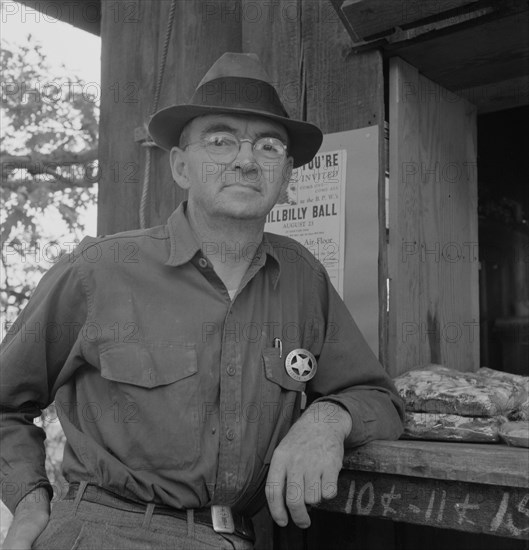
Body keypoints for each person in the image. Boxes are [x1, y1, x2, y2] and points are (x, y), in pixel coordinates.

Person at [1, 52, 404, 550]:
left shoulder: (304, 278)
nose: (245, 159)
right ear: (180, 166)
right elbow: (4, 402)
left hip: (238, 537)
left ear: (287, 176)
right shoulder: (100, 270)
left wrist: (326, 420)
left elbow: (378, 398)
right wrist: (28, 504)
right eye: (219, 140)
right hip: (107, 532)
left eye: (269, 145)